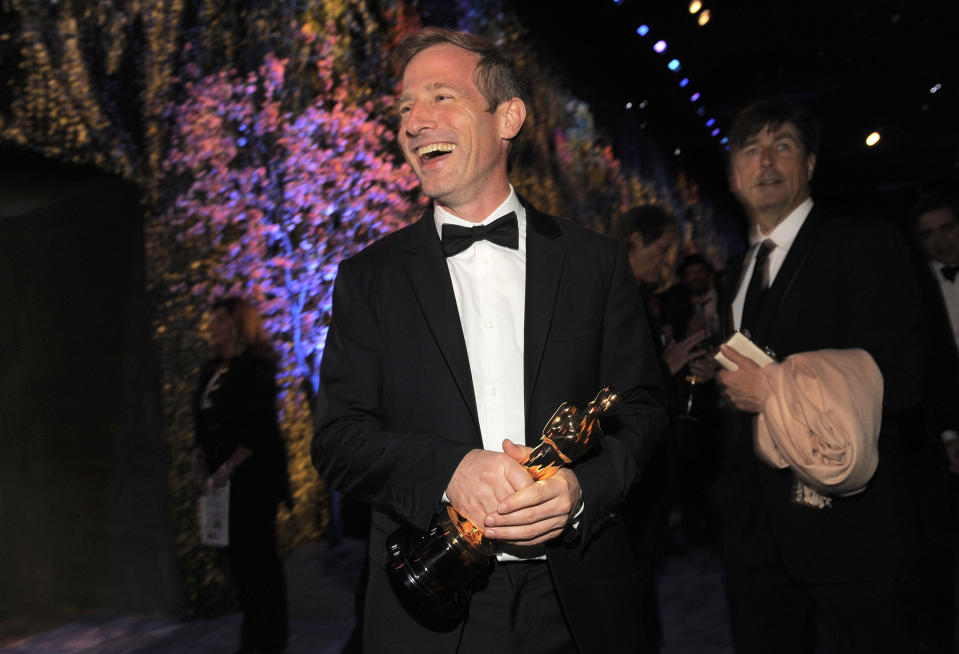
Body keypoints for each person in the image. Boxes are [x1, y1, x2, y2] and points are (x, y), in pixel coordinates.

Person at [311, 27, 666, 653]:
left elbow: (641, 410)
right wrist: (451, 471)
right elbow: (339, 441)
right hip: (428, 602)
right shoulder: (367, 278)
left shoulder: (597, 263)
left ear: (509, 117)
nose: (415, 121)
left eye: (440, 97)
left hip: (580, 598)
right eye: (404, 108)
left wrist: (582, 490)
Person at [713, 99, 926, 653]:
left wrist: (777, 389)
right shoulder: (732, 274)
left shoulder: (862, 243)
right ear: (733, 173)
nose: (765, 162)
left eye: (782, 146)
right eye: (750, 150)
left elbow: (901, 377)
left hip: (847, 516)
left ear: (809, 164)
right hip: (753, 530)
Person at [193, 297, 292, 654]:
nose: (212, 327)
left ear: (237, 324)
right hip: (223, 484)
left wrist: (226, 469)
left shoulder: (256, 367)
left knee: (259, 563)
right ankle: (254, 637)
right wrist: (201, 462)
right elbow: (204, 425)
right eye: (212, 320)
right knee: (240, 566)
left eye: (219, 320)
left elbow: (258, 431)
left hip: (253, 483)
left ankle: (268, 641)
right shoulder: (211, 370)